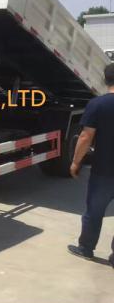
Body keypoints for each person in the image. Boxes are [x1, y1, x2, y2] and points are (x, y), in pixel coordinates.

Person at [68, 63, 114, 267]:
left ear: (105, 80)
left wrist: (75, 162)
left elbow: (86, 137)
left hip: (104, 171)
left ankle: (86, 248)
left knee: (94, 212)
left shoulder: (97, 104)